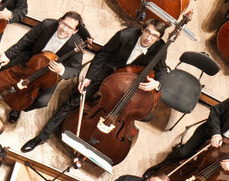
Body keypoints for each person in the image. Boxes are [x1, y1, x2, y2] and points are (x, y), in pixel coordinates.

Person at [35, 20, 167, 155]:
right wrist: (89, 78)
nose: (148, 38)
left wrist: (157, 83)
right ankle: (43, 135)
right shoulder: (124, 35)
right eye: (147, 32)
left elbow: (162, 70)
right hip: (107, 71)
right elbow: (102, 55)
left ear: (158, 38)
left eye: (154, 36)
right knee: (76, 99)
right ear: (142, 30)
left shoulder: (160, 49)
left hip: (127, 81)